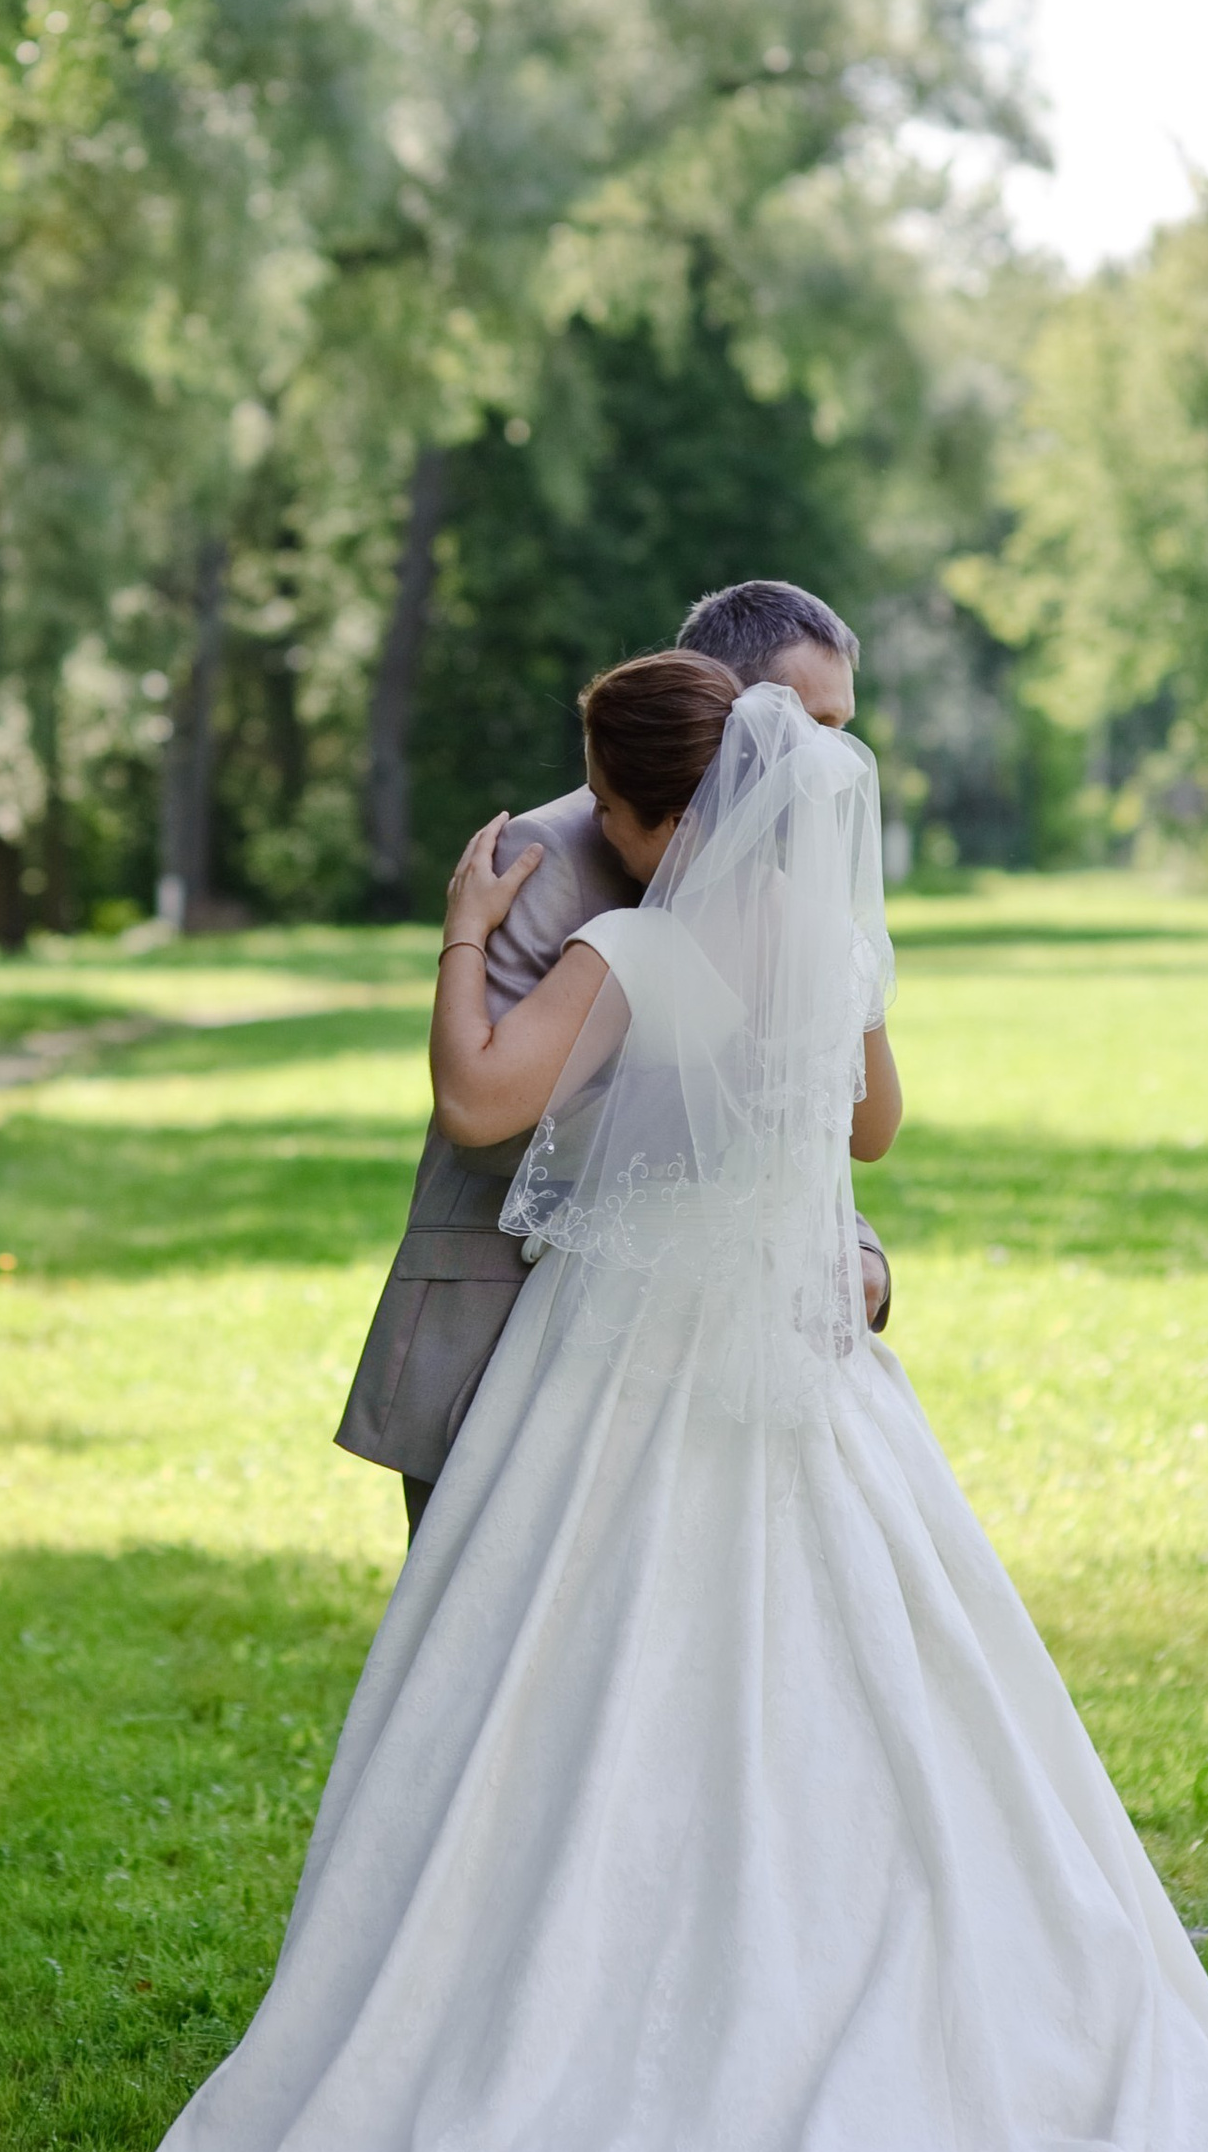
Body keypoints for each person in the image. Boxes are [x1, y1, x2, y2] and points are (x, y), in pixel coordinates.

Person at [124, 654, 1208, 2152]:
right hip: (806, 1376)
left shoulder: (634, 946)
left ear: (655, 813)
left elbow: (478, 1090)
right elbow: (867, 1127)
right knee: (844, 1685)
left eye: (610, 802)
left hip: (619, 1374)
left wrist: (463, 925)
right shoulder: (820, 942)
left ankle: (601, 2006)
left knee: (585, 1697)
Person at [335, 579, 892, 1538]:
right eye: (810, 722)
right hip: (521, 1336)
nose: (822, 759)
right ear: (721, 701)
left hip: (714, 1353)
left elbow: (836, 1132)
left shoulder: (765, 915)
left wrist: (845, 1251)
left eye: (840, 730)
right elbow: (492, 1129)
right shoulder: (552, 857)